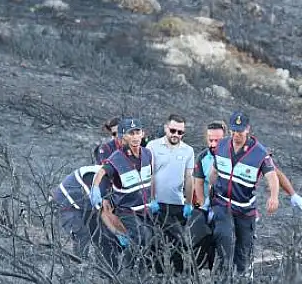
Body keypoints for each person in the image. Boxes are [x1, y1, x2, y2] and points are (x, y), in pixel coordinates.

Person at [207, 111, 281, 275]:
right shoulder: (222, 145)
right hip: (222, 202)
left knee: (243, 249)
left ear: (248, 129)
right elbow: (214, 171)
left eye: (239, 131)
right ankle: (221, 279)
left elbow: (272, 177)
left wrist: (274, 197)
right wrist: (210, 189)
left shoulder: (260, 153)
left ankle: (241, 282)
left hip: (244, 206)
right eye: (233, 131)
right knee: (224, 236)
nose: (236, 135)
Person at [89, 117, 158, 268]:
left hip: (145, 208)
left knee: (150, 239)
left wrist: (154, 198)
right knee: (138, 237)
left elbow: (151, 178)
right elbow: (100, 173)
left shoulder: (148, 154)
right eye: (130, 133)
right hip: (126, 210)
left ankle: (140, 273)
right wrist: (95, 189)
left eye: (137, 132)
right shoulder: (117, 158)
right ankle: (125, 271)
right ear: (123, 137)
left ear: (142, 134)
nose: (134, 137)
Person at [146, 114, 196, 273]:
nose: (176, 134)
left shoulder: (188, 150)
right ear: (166, 128)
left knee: (178, 244)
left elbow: (189, 177)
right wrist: (151, 199)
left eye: (180, 132)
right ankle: (155, 279)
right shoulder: (152, 146)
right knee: (155, 243)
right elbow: (150, 174)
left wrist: (188, 203)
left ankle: (178, 280)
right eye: (173, 130)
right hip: (156, 205)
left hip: (177, 205)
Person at [51, 164, 112, 263]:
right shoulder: (95, 177)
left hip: (82, 205)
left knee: (100, 233)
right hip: (66, 205)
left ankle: (102, 266)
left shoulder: (107, 176)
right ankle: (80, 266)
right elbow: (100, 208)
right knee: (81, 234)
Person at [190, 120, 227, 270]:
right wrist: (200, 208)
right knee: (198, 232)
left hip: (228, 206)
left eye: (217, 141)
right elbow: (198, 184)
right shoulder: (203, 157)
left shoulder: (232, 156)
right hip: (208, 205)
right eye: (210, 140)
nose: (213, 144)